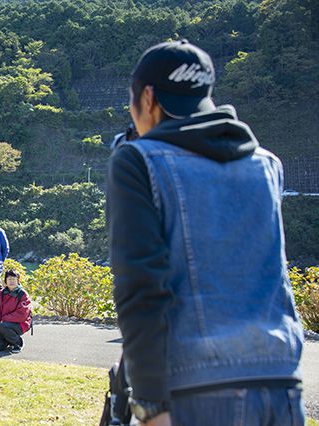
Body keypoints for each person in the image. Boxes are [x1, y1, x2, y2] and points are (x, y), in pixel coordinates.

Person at [107, 40, 304, 425]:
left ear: (148, 99)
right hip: (280, 385)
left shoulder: (137, 162)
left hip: (196, 391)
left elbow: (141, 287)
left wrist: (150, 404)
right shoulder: (266, 165)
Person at [0, 269, 32, 353]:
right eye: (9, 279)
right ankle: (9, 340)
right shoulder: (2, 293)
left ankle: (18, 343)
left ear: (18, 281)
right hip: (4, 325)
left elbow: (22, 315)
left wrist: (4, 319)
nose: (11, 281)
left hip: (21, 324)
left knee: (3, 326)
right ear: (5, 281)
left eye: (14, 279)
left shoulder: (23, 294)